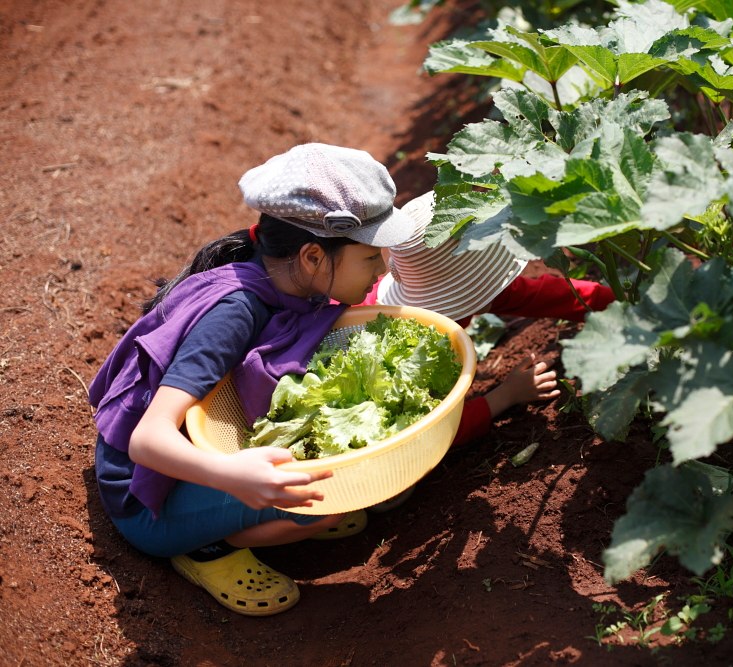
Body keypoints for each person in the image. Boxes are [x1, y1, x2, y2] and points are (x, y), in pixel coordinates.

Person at [88, 144, 416, 616]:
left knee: (327, 486)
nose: (382, 269)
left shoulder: (280, 284)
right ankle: (204, 547)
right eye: (370, 258)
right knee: (330, 501)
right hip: (146, 500)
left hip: (191, 457)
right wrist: (234, 476)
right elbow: (147, 439)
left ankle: (226, 510)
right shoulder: (233, 313)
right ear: (312, 258)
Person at [362, 190, 615, 446]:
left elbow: (543, 295)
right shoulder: (407, 349)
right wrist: (506, 395)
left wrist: (619, 303)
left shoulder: (441, 289)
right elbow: (424, 434)